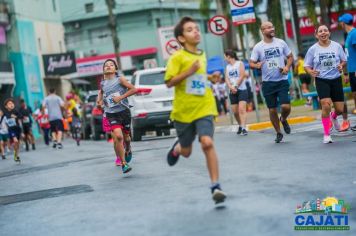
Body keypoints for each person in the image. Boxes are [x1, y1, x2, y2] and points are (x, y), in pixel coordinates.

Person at [165, 16, 226, 204]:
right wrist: (188, 72)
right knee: (187, 151)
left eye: (197, 29)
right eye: (190, 30)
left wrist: (211, 77)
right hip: (183, 112)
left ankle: (215, 186)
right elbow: (169, 82)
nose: (196, 32)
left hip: (205, 106)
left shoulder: (202, 54)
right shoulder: (177, 58)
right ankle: (177, 149)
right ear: (181, 38)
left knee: (207, 143)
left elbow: (199, 77)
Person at [249, 21, 294, 143]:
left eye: (272, 26)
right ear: (263, 31)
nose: (272, 28)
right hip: (268, 83)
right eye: (268, 28)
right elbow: (251, 63)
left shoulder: (281, 42)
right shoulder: (258, 47)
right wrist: (256, 65)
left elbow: (290, 57)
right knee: (272, 109)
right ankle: (278, 132)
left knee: (286, 106)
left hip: (282, 80)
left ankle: (283, 119)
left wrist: (286, 68)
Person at [304, 24, 347, 143]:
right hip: (321, 79)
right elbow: (306, 65)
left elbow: (344, 60)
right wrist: (311, 71)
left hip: (336, 79)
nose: (323, 33)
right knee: (326, 104)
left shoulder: (337, 46)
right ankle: (327, 134)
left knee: (339, 109)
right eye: (320, 31)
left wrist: (341, 65)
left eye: (325, 31)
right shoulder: (313, 49)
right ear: (316, 35)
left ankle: (333, 117)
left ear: (329, 33)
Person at [96, 59, 136, 174]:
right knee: (118, 137)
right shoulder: (103, 83)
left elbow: (134, 89)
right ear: (103, 69)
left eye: (111, 65)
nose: (108, 66)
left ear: (115, 69)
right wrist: (99, 102)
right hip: (111, 113)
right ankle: (124, 163)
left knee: (127, 138)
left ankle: (128, 148)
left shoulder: (120, 79)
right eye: (106, 65)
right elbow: (102, 93)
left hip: (124, 111)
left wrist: (121, 97)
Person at [224, 49, 248, 135]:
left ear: (229, 56)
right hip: (232, 91)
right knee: (235, 111)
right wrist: (231, 87)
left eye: (225, 57)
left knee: (242, 109)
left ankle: (244, 127)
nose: (225, 59)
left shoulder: (240, 63)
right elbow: (226, 78)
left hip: (241, 89)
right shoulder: (227, 67)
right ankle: (240, 125)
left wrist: (235, 86)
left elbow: (242, 75)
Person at [339, 13, 356, 131]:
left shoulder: (354, 33)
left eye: (340, 22)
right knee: (355, 96)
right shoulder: (349, 35)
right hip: (351, 71)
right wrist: (346, 74)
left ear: (343, 23)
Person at [3, 98, 22, 162]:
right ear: (6, 106)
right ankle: (15, 153)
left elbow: (21, 116)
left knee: (18, 144)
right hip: (11, 129)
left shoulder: (16, 111)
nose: (11, 104)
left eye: (12, 103)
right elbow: (5, 118)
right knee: (15, 141)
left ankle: (16, 155)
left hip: (17, 129)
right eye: (9, 104)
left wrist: (16, 117)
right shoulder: (5, 113)